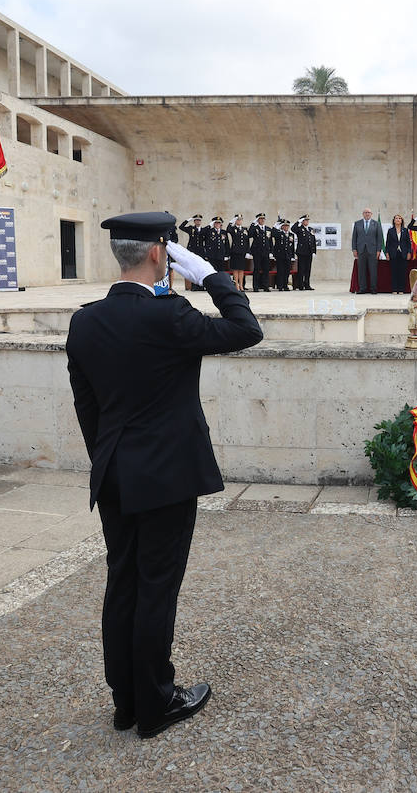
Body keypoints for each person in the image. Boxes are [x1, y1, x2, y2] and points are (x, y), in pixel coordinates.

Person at [66, 211, 263, 739]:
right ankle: (156, 703)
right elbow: (247, 329)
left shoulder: (84, 320)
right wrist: (213, 277)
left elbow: (88, 407)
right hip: (167, 476)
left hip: (112, 473)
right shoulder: (169, 315)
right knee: (157, 587)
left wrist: (109, 457)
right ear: (160, 253)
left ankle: (125, 702)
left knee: (122, 583)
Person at [352, 208, 383, 294]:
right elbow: (354, 238)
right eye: (365, 212)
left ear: (371, 214)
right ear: (363, 214)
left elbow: (379, 238)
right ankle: (362, 288)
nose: (367, 214)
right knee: (361, 271)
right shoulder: (357, 223)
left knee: (373, 271)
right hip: (361, 250)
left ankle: (373, 289)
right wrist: (354, 249)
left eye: (369, 212)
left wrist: (378, 250)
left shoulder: (376, 224)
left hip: (373, 251)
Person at [385, 214, 412, 293]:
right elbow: (388, 243)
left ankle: (401, 289)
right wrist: (387, 253)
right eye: (396, 218)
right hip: (393, 253)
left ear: (401, 220)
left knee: (402, 272)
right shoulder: (390, 231)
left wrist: (409, 252)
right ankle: (394, 289)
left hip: (403, 253)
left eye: (399, 218)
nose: (398, 219)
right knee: (394, 272)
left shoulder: (405, 230)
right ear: (394, 220)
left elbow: (408, 243)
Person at [248, 213, 272, 292]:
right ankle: (256, 286)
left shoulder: (268, 228)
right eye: (260, 219)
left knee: (266, 269)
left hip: (266, 252)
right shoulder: (255, 228)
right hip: (257, 252)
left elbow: (270, 241)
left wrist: (271, 251)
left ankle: (265, 286)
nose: (262, 220)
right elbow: (249, 234)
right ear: (257, 220)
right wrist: (253, 224)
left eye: (263, 219)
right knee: (257, 269)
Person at [226, 215, 250, 291]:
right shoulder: (233, 229)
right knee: (236, 269)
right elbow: (228, 229)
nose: (239, 221)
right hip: (235, 252)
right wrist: (231, 222)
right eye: (238, 220)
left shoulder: (245, 229)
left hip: (242, 252)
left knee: (241, 269)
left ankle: (241, 285)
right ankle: (236, 285)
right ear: (235, 221)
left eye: (240, 220)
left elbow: (247, 241)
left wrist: (248, 251)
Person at [272, 218, 296, 291]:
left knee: (287, 271)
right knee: (280, 271)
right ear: (281, 226)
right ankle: (280, 286)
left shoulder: (291, 235)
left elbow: (292, 246)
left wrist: (292, 256)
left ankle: (285, 285)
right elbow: (273, 233)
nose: (286, 227)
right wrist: (276, 225)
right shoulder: (279, 233)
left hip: (288, 255)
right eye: (284, 226)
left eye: (287, 226)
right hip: (280, 255)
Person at [294, 215, 316, 291]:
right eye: (305, 220)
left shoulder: (311, 229)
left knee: (308, 269)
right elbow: (293, 229)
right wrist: (298, 221)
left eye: (307, 220)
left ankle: (307, 284)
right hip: (302, 252)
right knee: (301, 269)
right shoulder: (299, 228)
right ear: (302, 221)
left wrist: (314, 251)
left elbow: (313, 241)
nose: (307, 222)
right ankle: (300, 285)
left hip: (309, 252)